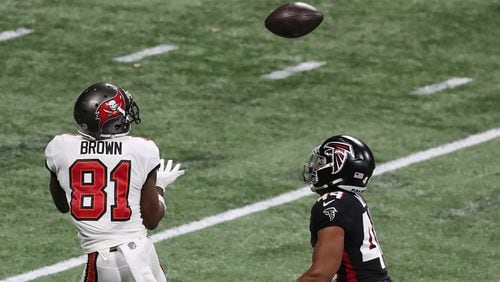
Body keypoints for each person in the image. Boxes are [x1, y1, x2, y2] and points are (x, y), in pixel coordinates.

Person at [44, 82, 185, 282]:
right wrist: (159, 187)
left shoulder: (60, 147)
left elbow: (62, 205)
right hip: (141, 254)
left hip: (102, 261)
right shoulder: (142, 149)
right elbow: (152, 219)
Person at [297, 135, 391, 282]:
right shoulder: (350, 201)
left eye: (321, 162)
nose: (314, 167)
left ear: (337, 168)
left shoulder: (333, 204)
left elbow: (320, 275)